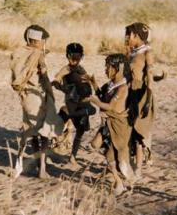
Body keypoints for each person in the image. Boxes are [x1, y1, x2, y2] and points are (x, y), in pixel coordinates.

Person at [9, 24, 64, 179]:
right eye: (42, 40)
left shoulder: (19, 53)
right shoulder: (37, 54)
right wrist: (50, 93)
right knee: (45, 132)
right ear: (36, 40)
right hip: (37, 97)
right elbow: (44, 77)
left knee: (32, 131)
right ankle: (42, 169)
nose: (43, 43)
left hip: (26, 97)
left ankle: (36, 165)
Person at [85, 54, 134, 196]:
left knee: (111, 156)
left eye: (108, 67)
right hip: (108, 124)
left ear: (118, 68)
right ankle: (117, 178)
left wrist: (93, 100)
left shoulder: (123, 88)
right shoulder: (111, 84)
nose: (105, 70)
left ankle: (120, 182)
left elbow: (110, 106)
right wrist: (93, 84)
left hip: (119, 127)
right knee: (95, 145)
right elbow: (102, 95)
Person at [52, 43, 96, 168]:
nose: (75, 59)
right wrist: (60, 86)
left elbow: (86, 85)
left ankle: (72, 157)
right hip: (72, 103)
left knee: (80, 130)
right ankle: (54, 142)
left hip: (83, 103)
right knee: (62, 119)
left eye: (77, 56)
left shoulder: (81, 70)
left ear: (81, 57)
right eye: (73, 56)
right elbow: (56, 79)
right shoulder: (66, 69)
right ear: (68, 56)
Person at [124, 22, 155, 179]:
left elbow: (149, 78)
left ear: (136, 36)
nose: (127, 38)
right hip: (128, 94)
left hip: (140, 95)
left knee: (138, 134)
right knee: (127, 132)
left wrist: (147, 100)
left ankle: (138, 169)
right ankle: (128, 165)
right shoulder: (132, 52)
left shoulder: (147, 53)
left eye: (129, 35)